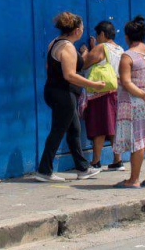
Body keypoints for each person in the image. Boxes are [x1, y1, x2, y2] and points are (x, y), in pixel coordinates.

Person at [35, 12, 106, 183]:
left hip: (54, 91)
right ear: (76, 30)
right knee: (58, 131)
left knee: (74, 129)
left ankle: (82, 168)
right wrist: (93, 84)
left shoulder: (55, 43)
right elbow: (69, 75)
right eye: (81, 28)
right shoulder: (67, 47)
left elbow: (50, 67)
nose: (82, 30)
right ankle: (44, 171)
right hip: (64, 94)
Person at [113, 16, 145, 188]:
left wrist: (142, 95)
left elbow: (127, 82)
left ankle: (133, 180)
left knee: (139, 140)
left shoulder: (128, 56)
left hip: (136, 102)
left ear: (127, 37)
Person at [79, 21, 126, 171]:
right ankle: (117, 160)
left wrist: (85, 52)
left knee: (99, 126)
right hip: (116, 92)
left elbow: (84, 64)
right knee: (113, 126)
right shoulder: (120, 49)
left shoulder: (101, 47)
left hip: (100, 93)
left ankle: (96, 161)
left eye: (98, 35)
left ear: (103, 34)